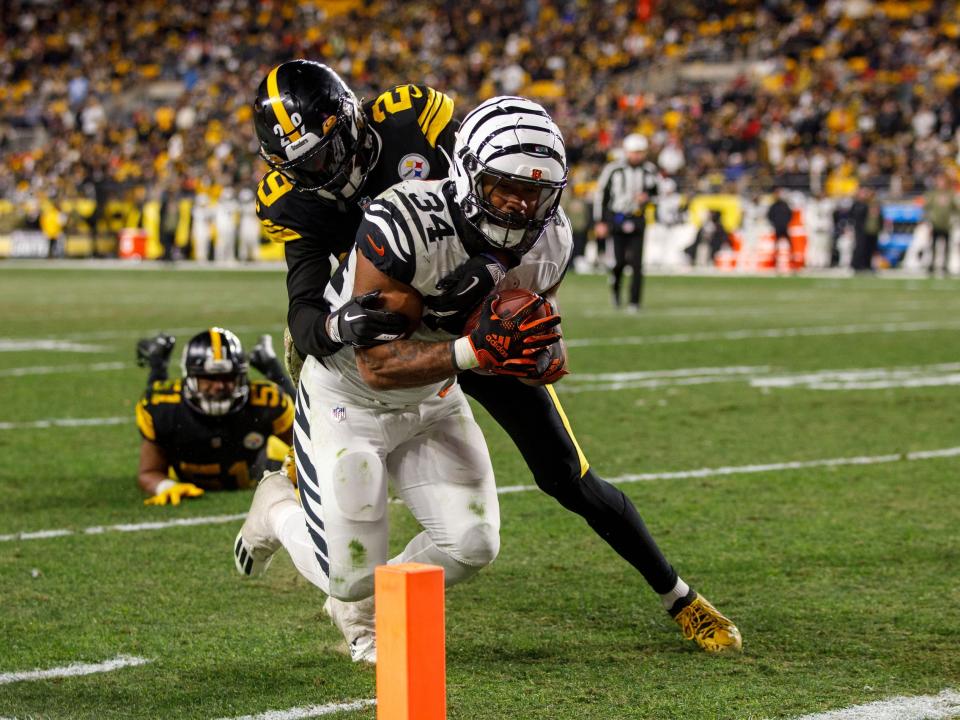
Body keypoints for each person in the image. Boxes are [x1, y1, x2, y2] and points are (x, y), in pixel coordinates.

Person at [236, 61, 741, 658]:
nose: (323, 174)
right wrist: (330, 324)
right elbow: (308, 313)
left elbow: (503, 189)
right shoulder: (333, 209)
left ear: (349, 119)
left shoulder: (415, 123)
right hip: (388, 338)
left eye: (325, 154)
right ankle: (317, 519)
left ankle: (678, 596)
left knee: (566, 477)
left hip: (474, 330)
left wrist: (500, 291)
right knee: (351, 522)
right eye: (304, 167)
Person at [134, 328, 294, 505]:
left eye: (228, 377)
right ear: (191, 378)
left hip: (260, 465)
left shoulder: (267, 402)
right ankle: (158, 362)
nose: (219, 386)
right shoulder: (162, 407)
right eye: (209, 378)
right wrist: (165, 486)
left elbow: (309, 440)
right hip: (187, 473)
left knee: (301, 431)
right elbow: (149, 472)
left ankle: (270, 364)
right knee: (155, 393)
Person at [593, 133, 660, 312]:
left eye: (640, 152)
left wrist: (648, 198)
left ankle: (634, 302)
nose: (637, 156)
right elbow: (601, 196)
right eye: (634, 152)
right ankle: (616, 291)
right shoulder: (613, 169)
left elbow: (658, 194)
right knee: (619, 261)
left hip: (637, 217)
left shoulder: (649, 170)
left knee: (637, 264)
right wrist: (600, 221)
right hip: (617, 217)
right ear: (626, 152)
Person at [923, 173, 959, 275]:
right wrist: (928, 219)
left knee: (947, 246)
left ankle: (945, 266)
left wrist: (954, 220)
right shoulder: (933, 194)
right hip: (935, 224)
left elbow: (956, 208)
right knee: (933, 246)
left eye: (942, 181)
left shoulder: (950, 194)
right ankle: (931, 265)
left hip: (946, 225)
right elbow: (926, 207)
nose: (941, 183)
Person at [766, 187, 794, 271]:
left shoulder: (785, 205)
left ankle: (791, 262)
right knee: (776, 246)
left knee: (790, 245)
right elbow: (769, 216)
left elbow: (790, 215)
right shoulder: (773, 206)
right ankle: (775, 262)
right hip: (777, 228)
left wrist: (786, 223)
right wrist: (774, 224)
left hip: (784, 227)